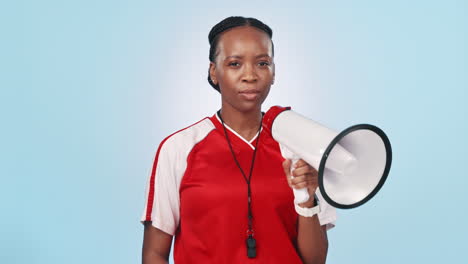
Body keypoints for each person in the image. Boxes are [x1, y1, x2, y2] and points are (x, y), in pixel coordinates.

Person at [141, 16, 337, 264]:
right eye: (235, 64)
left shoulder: (302, 146)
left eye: (262, 63)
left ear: (274, 72)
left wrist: (307, 198)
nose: (250, 75)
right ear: (214, 71)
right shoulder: (179, 148)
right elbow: (154, 253)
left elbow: (315, 260)